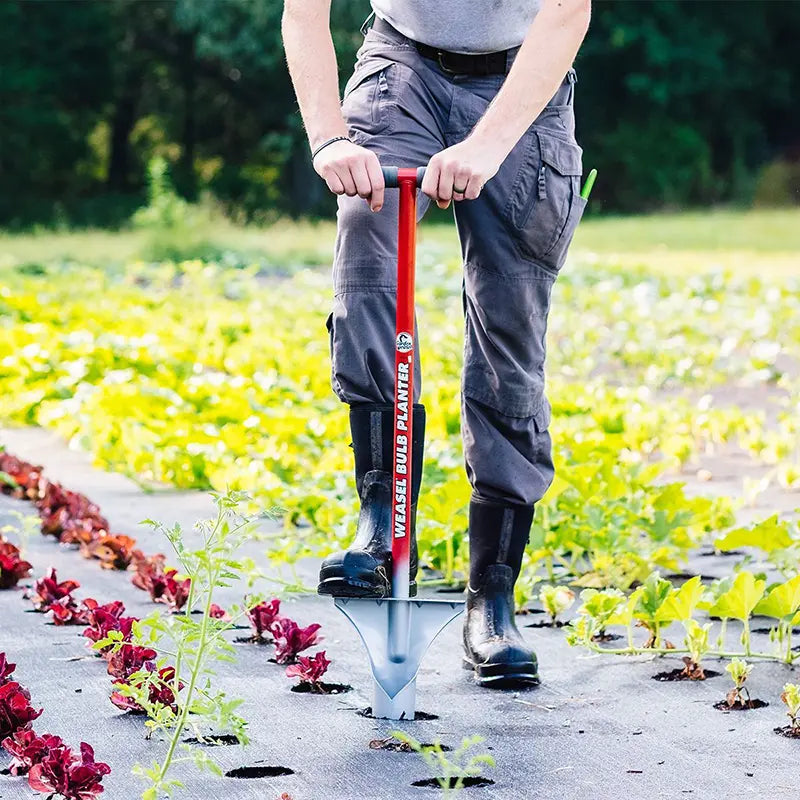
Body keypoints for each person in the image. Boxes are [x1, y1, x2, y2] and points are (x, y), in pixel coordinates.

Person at [282, 0, 592, 688]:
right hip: (404, 67)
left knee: (509, 328)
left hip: (523, 82)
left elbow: (568, 11)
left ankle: (494, 599)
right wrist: (330, 139)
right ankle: (382, 520)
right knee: (367, 241)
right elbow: (303, 13)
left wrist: (487, 145)